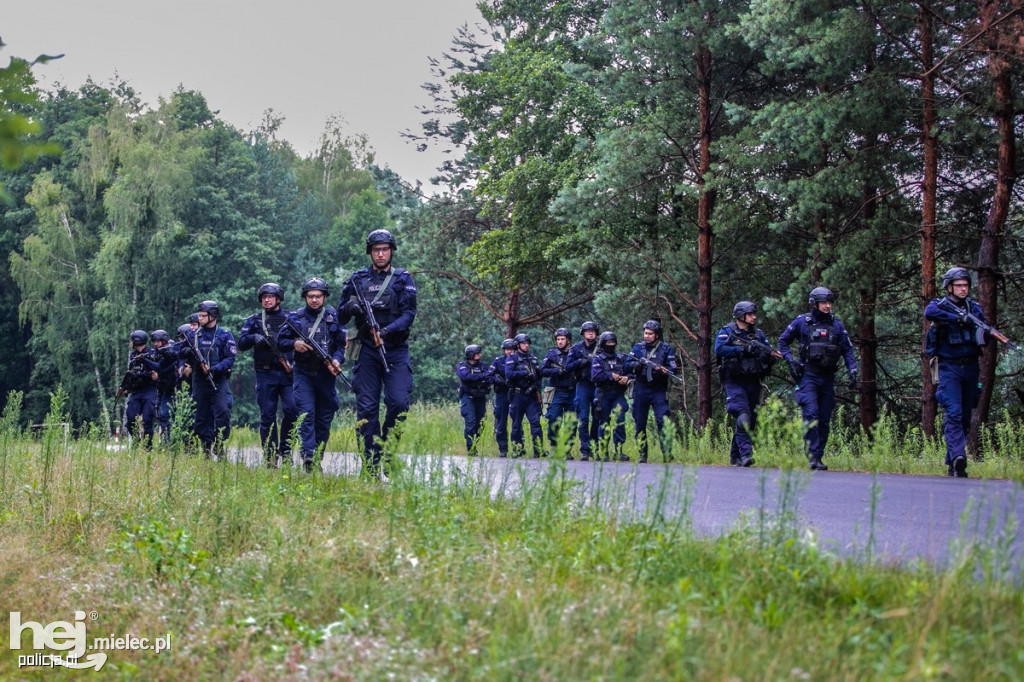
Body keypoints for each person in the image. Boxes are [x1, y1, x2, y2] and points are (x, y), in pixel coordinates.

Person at [337, 229, 417, 477]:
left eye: (384, 249)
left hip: (394, 349)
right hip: (367, 351)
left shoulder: (403, 278)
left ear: (391, 251)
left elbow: (409, 315)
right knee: (367, 409)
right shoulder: (357, 279)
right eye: (376, 250)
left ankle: (388, 449)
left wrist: (386, 330)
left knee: (399, 403)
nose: (380, 254)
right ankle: (370, 462)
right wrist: (352, 306)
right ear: (370, 252)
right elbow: (340, 315)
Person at [778, 287, 858, 471]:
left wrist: (852, 369)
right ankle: (812, 456)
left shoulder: (836, 325)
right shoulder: (802, 322)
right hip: (808, 376)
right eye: (824, 303)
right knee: (811, 414)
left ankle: (818, 457)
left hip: (827, 377)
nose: (828, 306)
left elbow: (847, 349)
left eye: (830, 303)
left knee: (823, 418)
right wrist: (790, 361)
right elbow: (783, 342)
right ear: (814, 303)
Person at [924, 267, 993, 478]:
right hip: (949, 367)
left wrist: (986, 331)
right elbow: (929, 313)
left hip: (971, 367)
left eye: (966, 285)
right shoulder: (939, 305)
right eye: (959, 286)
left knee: (964, 416)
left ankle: (952, 459)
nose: (963, 289)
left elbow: (985, 328)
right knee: (953, 412)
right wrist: (957, 319)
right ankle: (958, 457)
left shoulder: (974, 308)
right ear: (950, 287)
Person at [277, 277, 346, 472]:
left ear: (324, 297)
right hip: (303, 373)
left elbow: (341, 345)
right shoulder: (295, 318)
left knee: (325, 418)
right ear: (305, 297)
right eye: (310, 296)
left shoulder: (333, 317)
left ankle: (317, 455)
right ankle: (308, 455)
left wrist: (337, 360)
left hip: (326, 375)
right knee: (306, 414)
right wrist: (294, 344)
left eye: (318, 296)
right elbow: (281, 341)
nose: (314, 300)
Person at [238, 282, 298, 468]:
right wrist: (254, 338)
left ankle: (286, 450)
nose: (267, 299)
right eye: (264, 297)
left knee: (292, 410)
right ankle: (271, 455)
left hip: (288, 373)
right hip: (265, 373)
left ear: (278, 298)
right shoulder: (255, 321)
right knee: (267, 416)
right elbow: (241, 343)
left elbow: (302, 338)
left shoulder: (291, 318)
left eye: (270, 296)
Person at [714, 302, 777, 467]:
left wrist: (769, 357)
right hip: (733, 381)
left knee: (751, 420)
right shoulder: (726, 332)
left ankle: (735, 456)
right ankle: (746, 455)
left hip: (753, 381)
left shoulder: (759, 334)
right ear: (741, 315)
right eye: (750, 314)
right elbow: (719, 350)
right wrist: (742, 350)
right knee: (743, 416)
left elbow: (768, 350)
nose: (754, 317)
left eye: (754, 314)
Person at [181, 301, 237, 458]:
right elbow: (181, 352)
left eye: (204, 315)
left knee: (223, 411)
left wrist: (214, 369)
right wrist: (191, 355)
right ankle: (206, 446)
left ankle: (219, 443)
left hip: (218, 380)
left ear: (213, 316)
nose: (201, 318)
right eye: (199, 315)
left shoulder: (225, 335)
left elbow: (230, 358)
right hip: (200, 381)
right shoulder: (193, 335)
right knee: (200, 416)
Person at [625, 320, 679, 463]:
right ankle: (642, 454)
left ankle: (667, 453)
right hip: (641, 389)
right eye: (645, 333)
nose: (647, 336)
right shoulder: (638, 348)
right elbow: (627, 365)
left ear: (657, 335)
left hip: (658, 390)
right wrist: (639, 364)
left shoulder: (666, 349)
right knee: (640, 423)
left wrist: (662, 370)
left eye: (650, 334)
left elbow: (673, 368)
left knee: (663, 420)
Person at [591, 331, 630, 461]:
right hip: (603, 394)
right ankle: (603, 452)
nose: (610, 344)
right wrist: (610, 376)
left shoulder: (621, 358)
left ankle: (619, 451)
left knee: (620, 420)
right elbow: (595, 376)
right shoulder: (597, 359)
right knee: (604, 422)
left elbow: (631, 373)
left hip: (618, 394)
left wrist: (627, 378)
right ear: (602, 343)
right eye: (608, 342)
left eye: (613, 342)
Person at [505, 333, 545, 458]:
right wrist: (525, 373)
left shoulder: (532, 359)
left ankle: (538, 450)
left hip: (532, 396)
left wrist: (536, 384)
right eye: (523, 343)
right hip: (518, 395)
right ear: (518, 345)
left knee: (536, 423)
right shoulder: (512, 358)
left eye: (527, 343)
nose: (526, 345)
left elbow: (538, 377)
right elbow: (509, 374)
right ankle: (517, 450)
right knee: (516, 424)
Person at [567, 321, 601, 461]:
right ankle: (585, 450)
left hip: (598, 385)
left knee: (598, 418)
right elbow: (568, 367)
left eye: (593, 331)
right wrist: (582, 361)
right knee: (583, 418)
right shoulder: (575, 349)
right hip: (583, 385)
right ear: (583, 333)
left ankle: (595, 448)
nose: (590, 333)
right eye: (588, 331)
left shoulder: (601, 348)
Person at [121, 330, 160, 448]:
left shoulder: (152, 354)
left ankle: (148, 446)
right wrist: (126, 387)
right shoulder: (133, 356)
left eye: (132, 341)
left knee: (147, 419)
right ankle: (136, 442)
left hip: (149, 390)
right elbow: (131, 373)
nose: (130, 343)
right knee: (130, 417)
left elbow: (154, 371)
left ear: (136, 341)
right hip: (136, 391)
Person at [541, 328, 576, 456]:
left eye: (562, 339)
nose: (560, 342)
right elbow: (543, 371)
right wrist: (556, 371)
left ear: (568, 340)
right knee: (553, 419)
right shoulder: (552, 354)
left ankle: (567, 450)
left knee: (571, 422)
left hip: (572, 391)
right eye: (558, 339)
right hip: (556, 391)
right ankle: (554, 447)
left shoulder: (575, 353)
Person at [456, 344, 491, 456]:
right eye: (477, 353)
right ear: (471, 355)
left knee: (481, 424)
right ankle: (471, 448)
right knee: (470, 422)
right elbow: (465, 377)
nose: (479, 355)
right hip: (468, 397)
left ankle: (475, 443)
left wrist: (479, 377)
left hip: (480, 398)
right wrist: (481, 376)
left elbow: (489, 376)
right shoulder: (462, 366)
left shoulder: (483, 366)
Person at [150, 329, 178, 443]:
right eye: (154, 341)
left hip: (175, 388)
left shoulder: (172, 354)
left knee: (176, 415)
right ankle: (166, 441)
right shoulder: (156, 354)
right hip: (163, 389)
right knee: (163, 415)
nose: (155, 344)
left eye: (157, 341)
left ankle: (176, 440)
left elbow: (163, 368)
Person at [490, 339, 516, 457]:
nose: (509, 352)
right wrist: (498, 381)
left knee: (517, 422)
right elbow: (489, 375)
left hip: (516, 393)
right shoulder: (498, 362)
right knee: (501, 422)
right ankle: (503, 449)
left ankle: (518, 449)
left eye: (511, 349)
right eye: (507, 349)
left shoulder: (519, 361)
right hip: (502, 394)